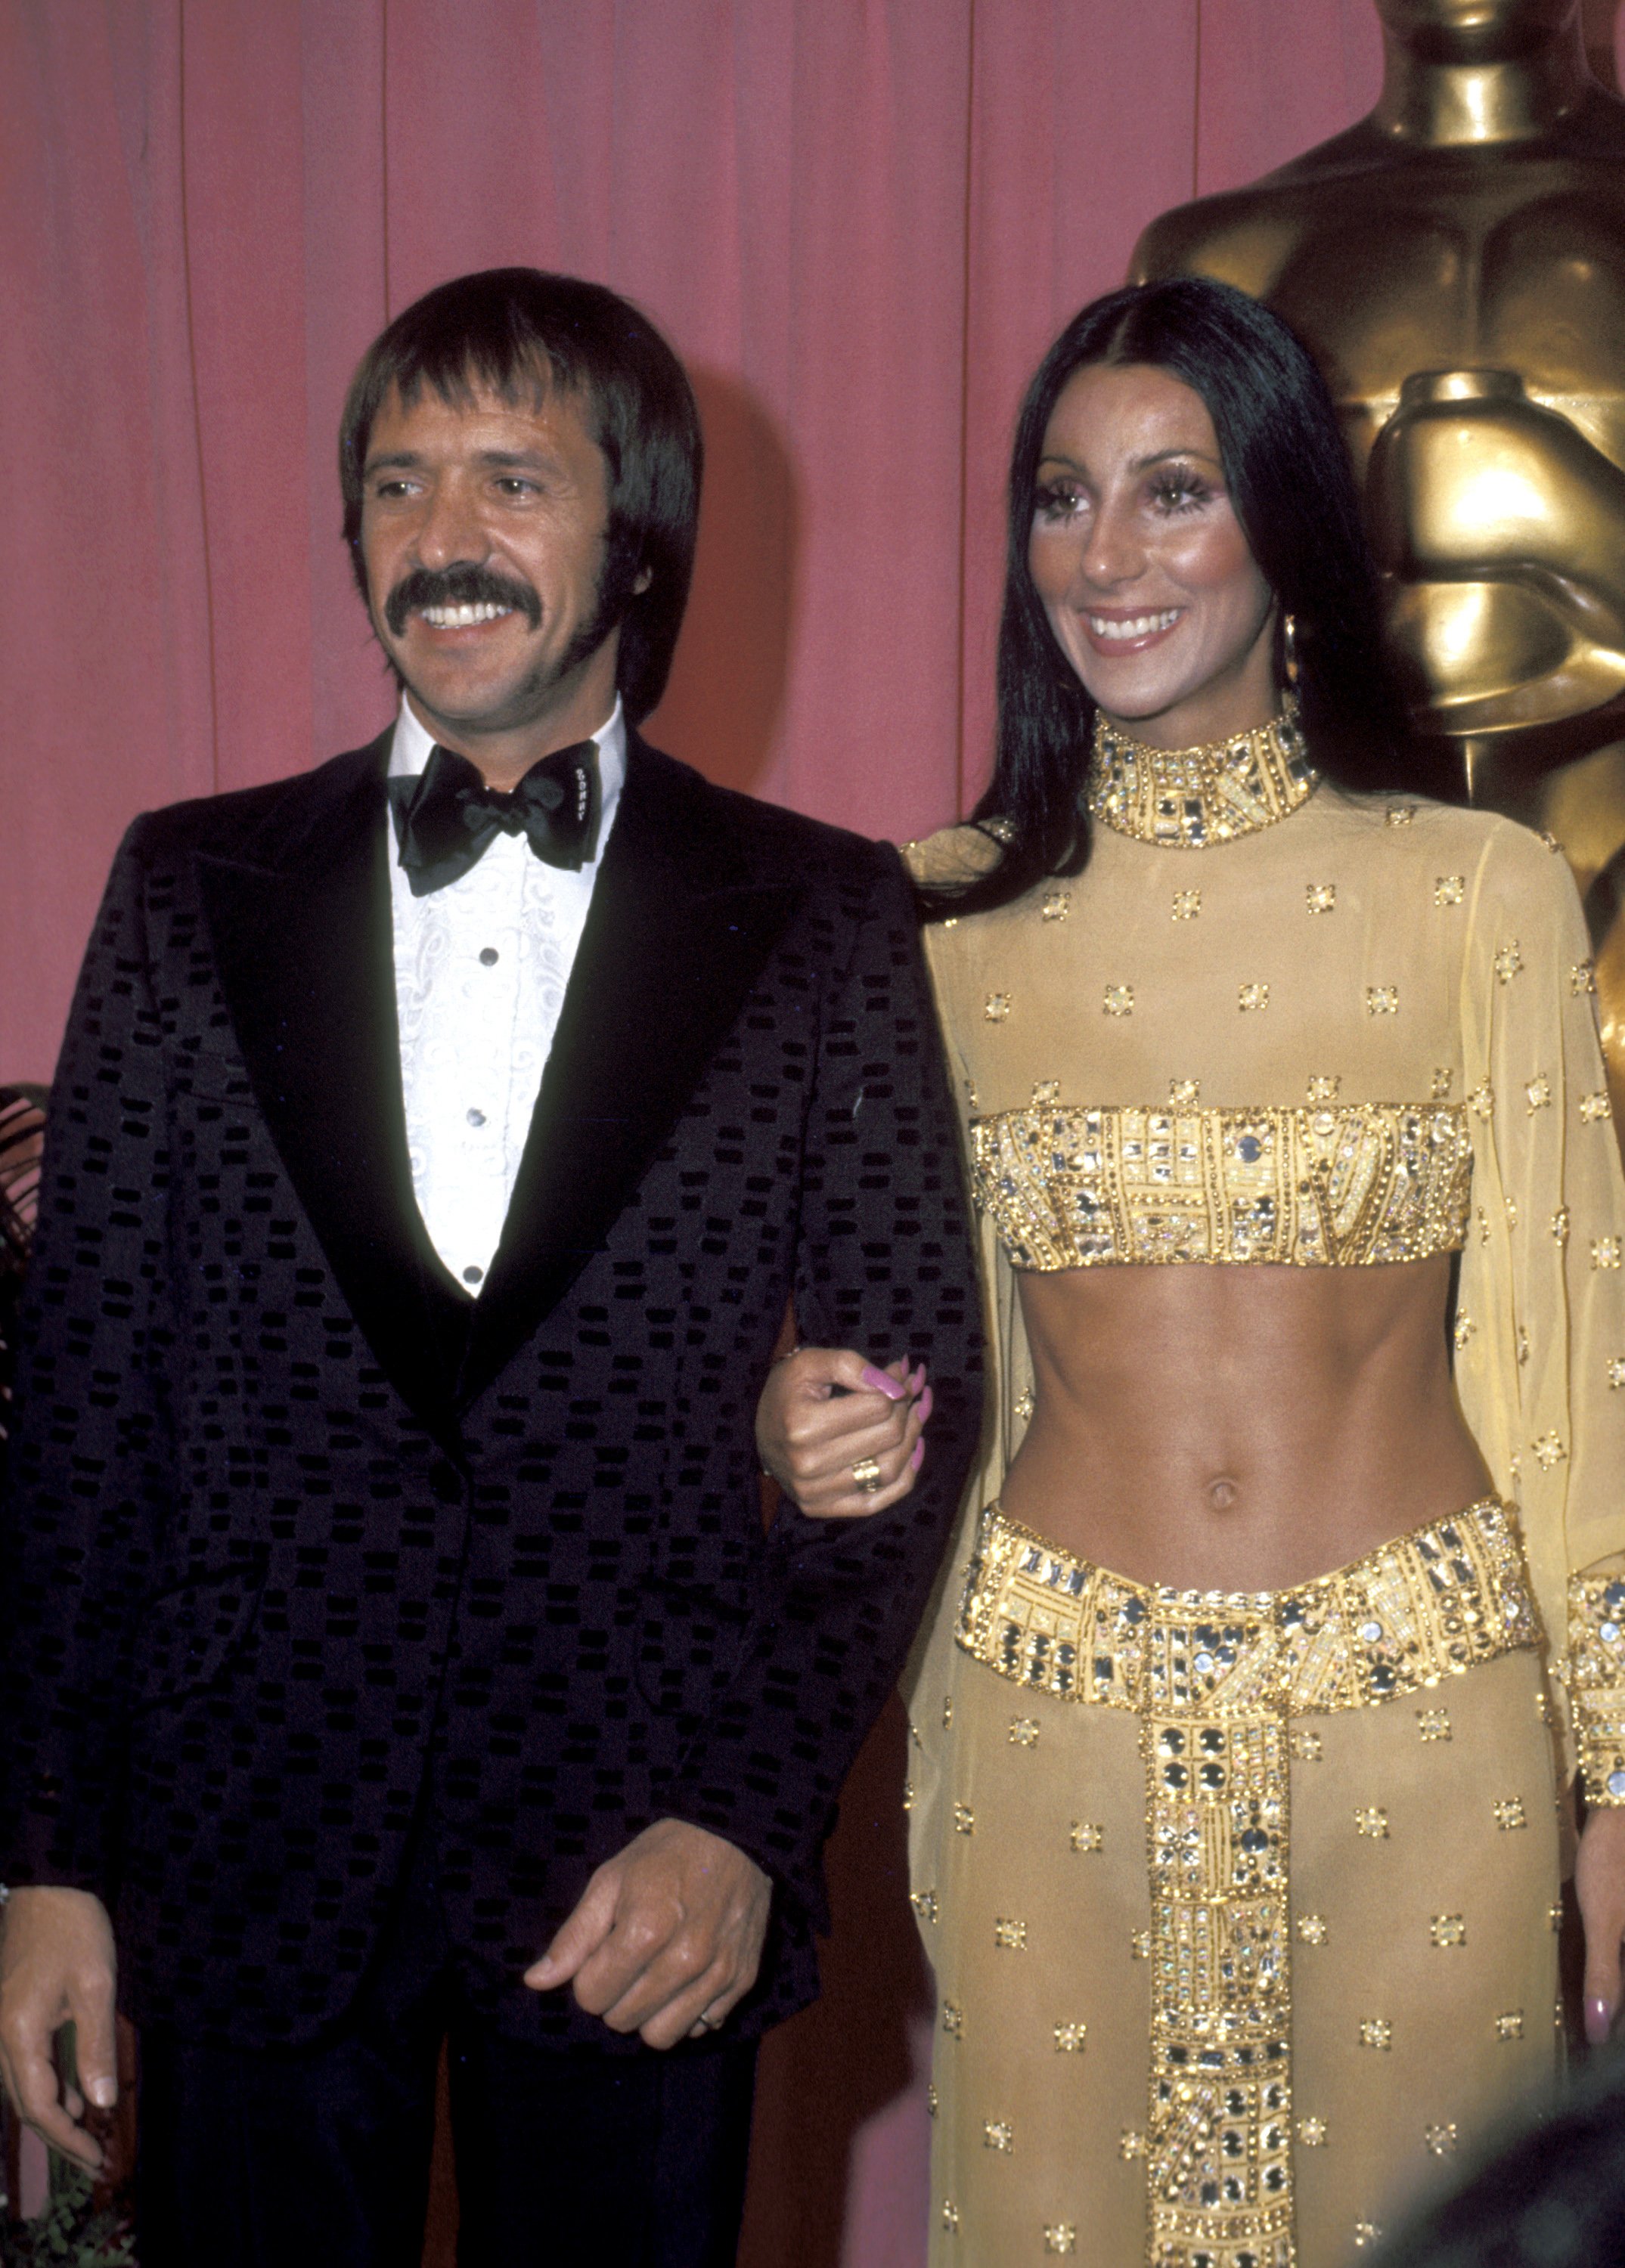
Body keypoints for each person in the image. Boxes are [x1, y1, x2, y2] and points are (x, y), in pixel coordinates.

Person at [0, 266, 982, 2268]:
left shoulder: (818, 909)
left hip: (640, 1875)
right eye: (395, 481)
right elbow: (87, 1405)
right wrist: (46, 1864)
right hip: (240, 1850)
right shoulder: (184, 890)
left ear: (635, 533)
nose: (441, 537)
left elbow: (911, 1391)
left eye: (510, 479)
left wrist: (742, 1819)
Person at [757, 275, 1625, 2267]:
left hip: (1426, 1724)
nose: (1107, 554)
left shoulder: (1472, 891)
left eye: (1173, 491)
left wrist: (1622, 1779)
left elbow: (1573, 1375)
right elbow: (892, 1361)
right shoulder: (933, 924)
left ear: (1287, 526)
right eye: (1062, 500)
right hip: (1039, 1717)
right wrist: (788, 1425)